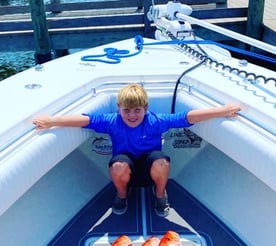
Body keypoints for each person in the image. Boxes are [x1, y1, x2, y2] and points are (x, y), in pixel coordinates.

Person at [33, 83, 241, 217]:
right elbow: (84, 120)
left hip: (151, 172)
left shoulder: (156, 121)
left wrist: (223, 111)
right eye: (126, 110)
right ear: (119, 109)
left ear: (146, 109)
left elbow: (187, 118)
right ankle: (122, 194)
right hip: (126, 173)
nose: (132, 115)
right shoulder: (111, 122)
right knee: (118, 164)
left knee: (161, 160)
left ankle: (160, 194)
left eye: (137, 110)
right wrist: (52, 121)